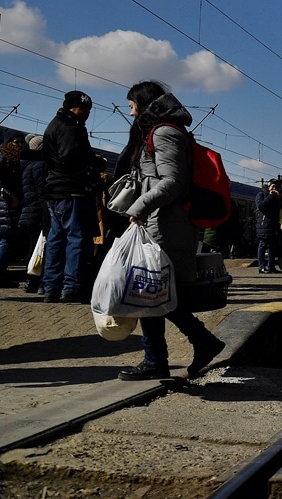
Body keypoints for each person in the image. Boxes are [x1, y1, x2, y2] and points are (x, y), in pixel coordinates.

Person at [113, 81, 224, 380]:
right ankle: (191, 346)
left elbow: (172, 182)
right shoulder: (159, 132)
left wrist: (139, 208)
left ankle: (165, 356)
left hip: (166, 224)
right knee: (156, 294)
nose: (130, 109)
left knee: (152, 293)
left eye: (132, 104)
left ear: (144, 102)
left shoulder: (164, 133)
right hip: (159, 221)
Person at [41, 90, 103, 303]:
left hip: (55, 191)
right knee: (76, 239)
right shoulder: (70, 127)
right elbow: (71, 157)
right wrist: (92, 163)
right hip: (71, 190)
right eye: (85, 108)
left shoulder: (55, 124)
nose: (87, 113)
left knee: (56, 239)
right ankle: (72, 287)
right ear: (74, 107)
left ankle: (51, 288)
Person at [18, 134, 49, 293]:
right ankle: (35, 281)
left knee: (32, 248)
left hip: (28, 210)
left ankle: (29, 280)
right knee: (40, 248)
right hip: (37, 211)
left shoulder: (26, 165)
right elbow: (42, 190)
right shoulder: (40, 165)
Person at [0, 133, 26, 287]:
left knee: (3, 239)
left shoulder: (8, 159)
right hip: (4, 205)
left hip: (3, 204)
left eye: (21, 142)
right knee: (5, 239)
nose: (19, 145)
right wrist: (10, 197)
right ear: (8, 143)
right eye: (16, 142)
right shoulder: (3, 158)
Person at [254, 178, 282, 274]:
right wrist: (271, 196)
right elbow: (261, 206)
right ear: (268, 186)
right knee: (263, 245)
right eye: (273, 186)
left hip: (274, 225)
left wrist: (280, 198)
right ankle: (262, 266)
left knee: (272, 246)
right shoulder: (261, 195)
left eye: (276, 187)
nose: (274, 188)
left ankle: (271, 266)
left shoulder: (277, 197)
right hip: (263, 225)